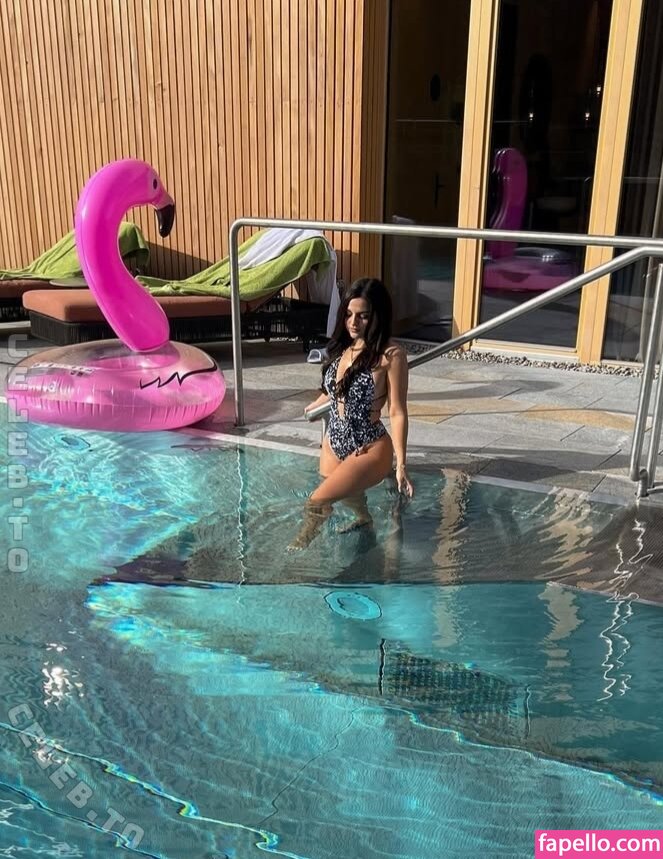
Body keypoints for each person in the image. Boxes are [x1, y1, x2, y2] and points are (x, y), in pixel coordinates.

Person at [289, 277, 414, 549]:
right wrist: (317, 403)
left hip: (368, 447)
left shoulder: (391, 356)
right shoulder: (343, 348)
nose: (353, 322)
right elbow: (336, 389)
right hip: (333, 443)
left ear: (378, 316)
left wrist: (402, 464)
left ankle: (298, 548)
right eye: (348, 314)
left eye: (363, 316)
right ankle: (364, 520)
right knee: (346, 495)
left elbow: (397, 411)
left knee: (317, 502)